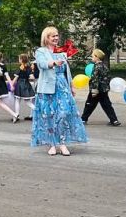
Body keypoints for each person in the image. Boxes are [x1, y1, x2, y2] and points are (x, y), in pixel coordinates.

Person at [31, 27, 88, 156]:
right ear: (46, 38)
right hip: (47, 88)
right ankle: (52, 144)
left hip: (62, 86)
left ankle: (62, 143)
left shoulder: (62, 51)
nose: (56, 38)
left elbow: (66, 70)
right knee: (49, 116)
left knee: (64, 114)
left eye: (57, 36)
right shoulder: (41, 51)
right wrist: (53, 63)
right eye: (53, 36)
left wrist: (71, 86)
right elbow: (42, 64)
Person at [80, 49, 120, 126]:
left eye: (92, 56)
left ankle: (83, 119)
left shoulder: (96, 67)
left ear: (97, 57)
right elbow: (108, 77)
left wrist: (94, 90)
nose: (92, 58)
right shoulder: (105, 66)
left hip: (96, 90)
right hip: (104, 90)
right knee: (107, 105)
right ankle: (114, 120)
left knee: (89, 104)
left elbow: (95, 79)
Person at [11, 53, 37, 120]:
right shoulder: (29, 68)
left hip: (20, 85)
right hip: (27, 84)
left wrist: (11, 85)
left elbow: (15, 79)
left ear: (21, 60)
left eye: (19, 58)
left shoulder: (19, 68)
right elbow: (32, 77)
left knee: (17, 100)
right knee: (27, 101)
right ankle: (37, 110)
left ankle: (16, 115)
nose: (18, 60)